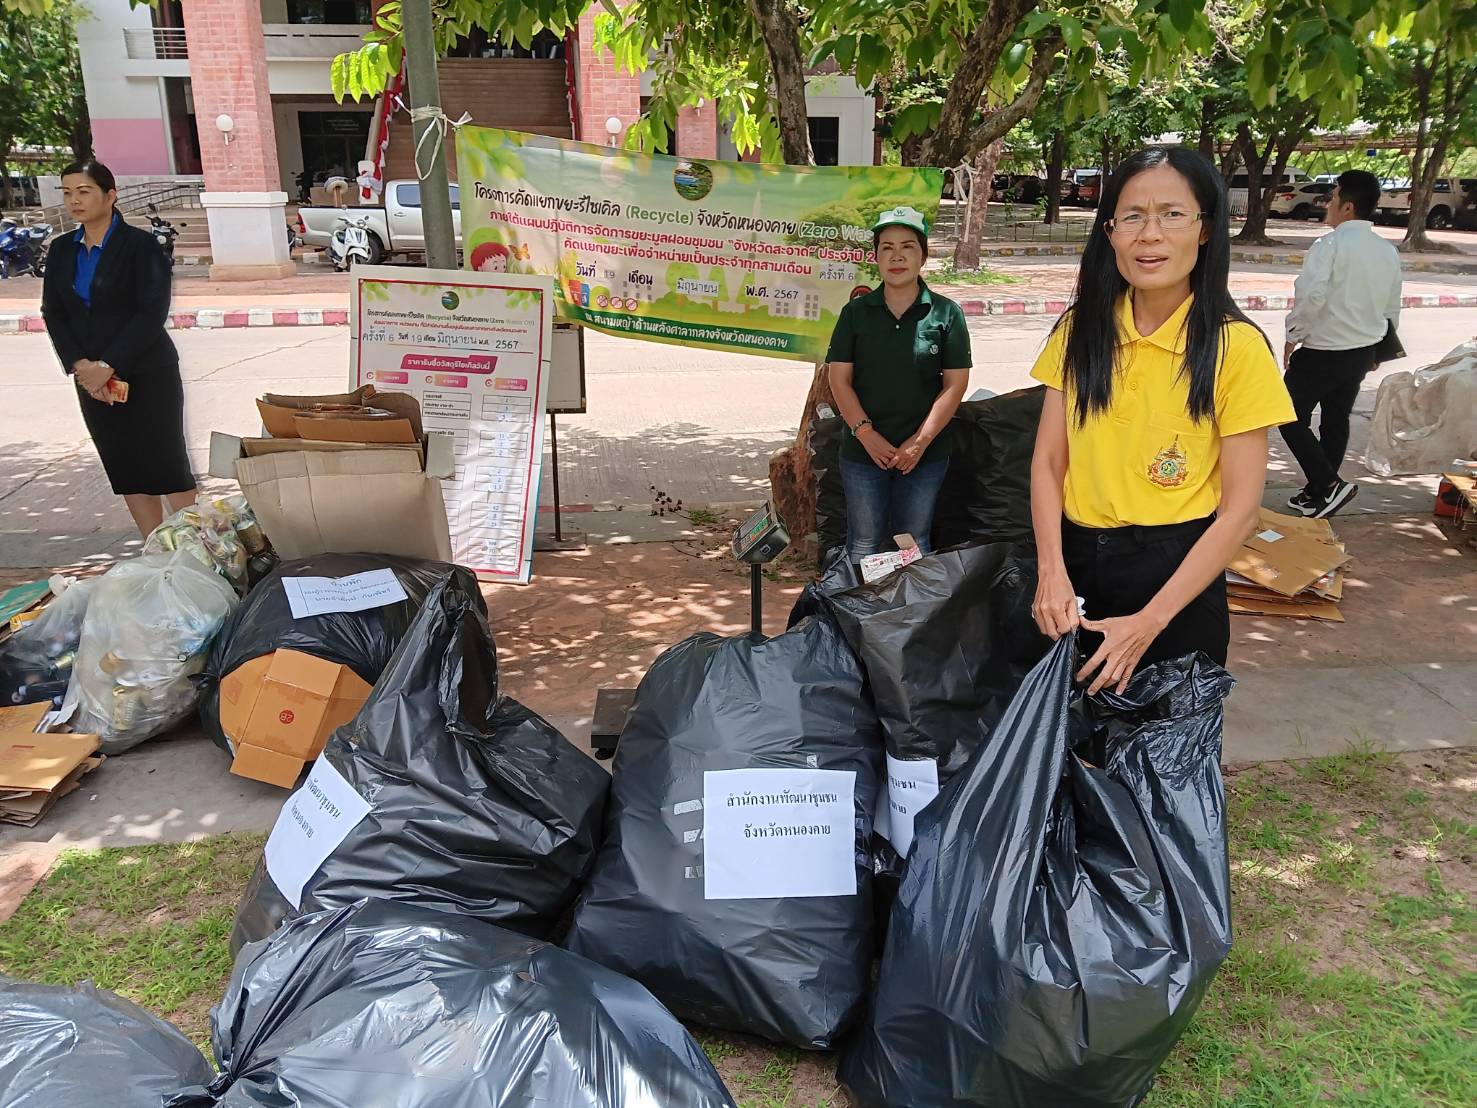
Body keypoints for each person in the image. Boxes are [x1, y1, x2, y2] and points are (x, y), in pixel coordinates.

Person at [1029, 147, 1295, 694]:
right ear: (1110, 233)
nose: (1150, 234)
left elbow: (1240, 512)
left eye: (1173, 214)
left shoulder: (1236, 349)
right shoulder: (1080, 332)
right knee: (1076, 748)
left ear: (1204, 230)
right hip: (1077, 567)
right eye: (1132, 216)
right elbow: (1049, 461)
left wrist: (1151, 620)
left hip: (1178, 575)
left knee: (1168, 759)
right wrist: (1050, 570)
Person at [40, 159, 196, 538]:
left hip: (147, 371)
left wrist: (109, 363)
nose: (74, 200)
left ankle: (198, 551)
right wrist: (82, 365)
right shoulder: (62, 250)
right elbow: (54, 312)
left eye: (84, 191)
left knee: (165, 463)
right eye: (67, 192)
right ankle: (154, 551)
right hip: (92, 380)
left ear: (110, 195)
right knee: (125, 465)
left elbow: (151, 311)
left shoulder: (141, 246)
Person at [826, 206, 971, 562]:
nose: (897, 256)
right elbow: (839, 378)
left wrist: (919, 443)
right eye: (887, 247)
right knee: (864, 544)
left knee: (912, 543)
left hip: (924, 455)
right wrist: (866, 434)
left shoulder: (945, 313)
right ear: (875, 256)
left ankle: (909, 619)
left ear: (923, 255)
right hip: (863, 453)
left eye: (907, 246)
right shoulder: (855, 313)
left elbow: (955, 385)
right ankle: (862, 617)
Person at [1280, 169, 1402, 519]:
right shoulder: (1386, 251)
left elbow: (1311, 294)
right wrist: (1380, 350)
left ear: (1347, 207)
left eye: (1332, 198)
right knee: (1335, 419)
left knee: (1286, 415)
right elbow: (1392, 305)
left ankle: (1328, 485)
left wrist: (1293, 335)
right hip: (1362, 351)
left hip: (1323, 351)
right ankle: (1319, 492)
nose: (1327, 204)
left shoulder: (1329, 245)